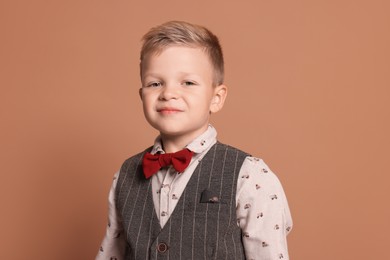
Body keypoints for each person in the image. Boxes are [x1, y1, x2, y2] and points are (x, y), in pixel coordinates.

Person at [96, 20, 292, 260]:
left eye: (188, 83)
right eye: (155, 83)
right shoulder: (126, 175)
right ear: (142, 95)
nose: (168, 93)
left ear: (216, 98)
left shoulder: (250, 176)